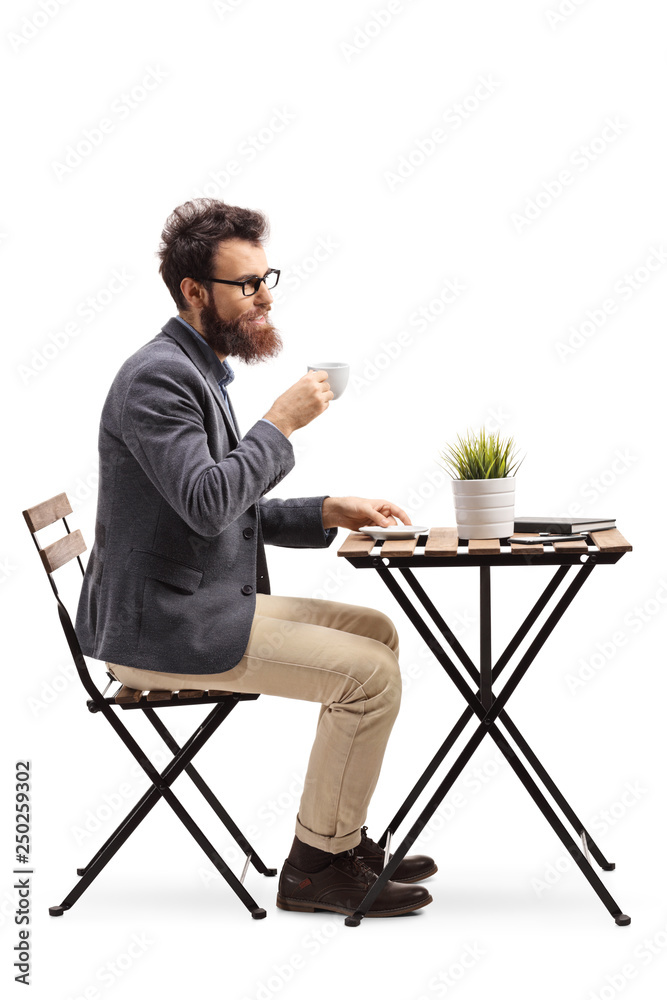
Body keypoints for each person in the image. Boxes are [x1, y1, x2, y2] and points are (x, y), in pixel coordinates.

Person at [75, 198, 437, 919]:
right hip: (159, 629)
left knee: (376, 634)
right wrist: (279, 423)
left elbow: (208, 508)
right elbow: (210, 502)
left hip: (188, 600)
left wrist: (325, 511)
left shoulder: (196, 371)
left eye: (265, 277)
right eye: (246, 284)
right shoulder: (158, 378)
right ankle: (313, 869)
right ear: (193, 292)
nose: (264, 294)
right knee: (366, 676)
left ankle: (341, 836)